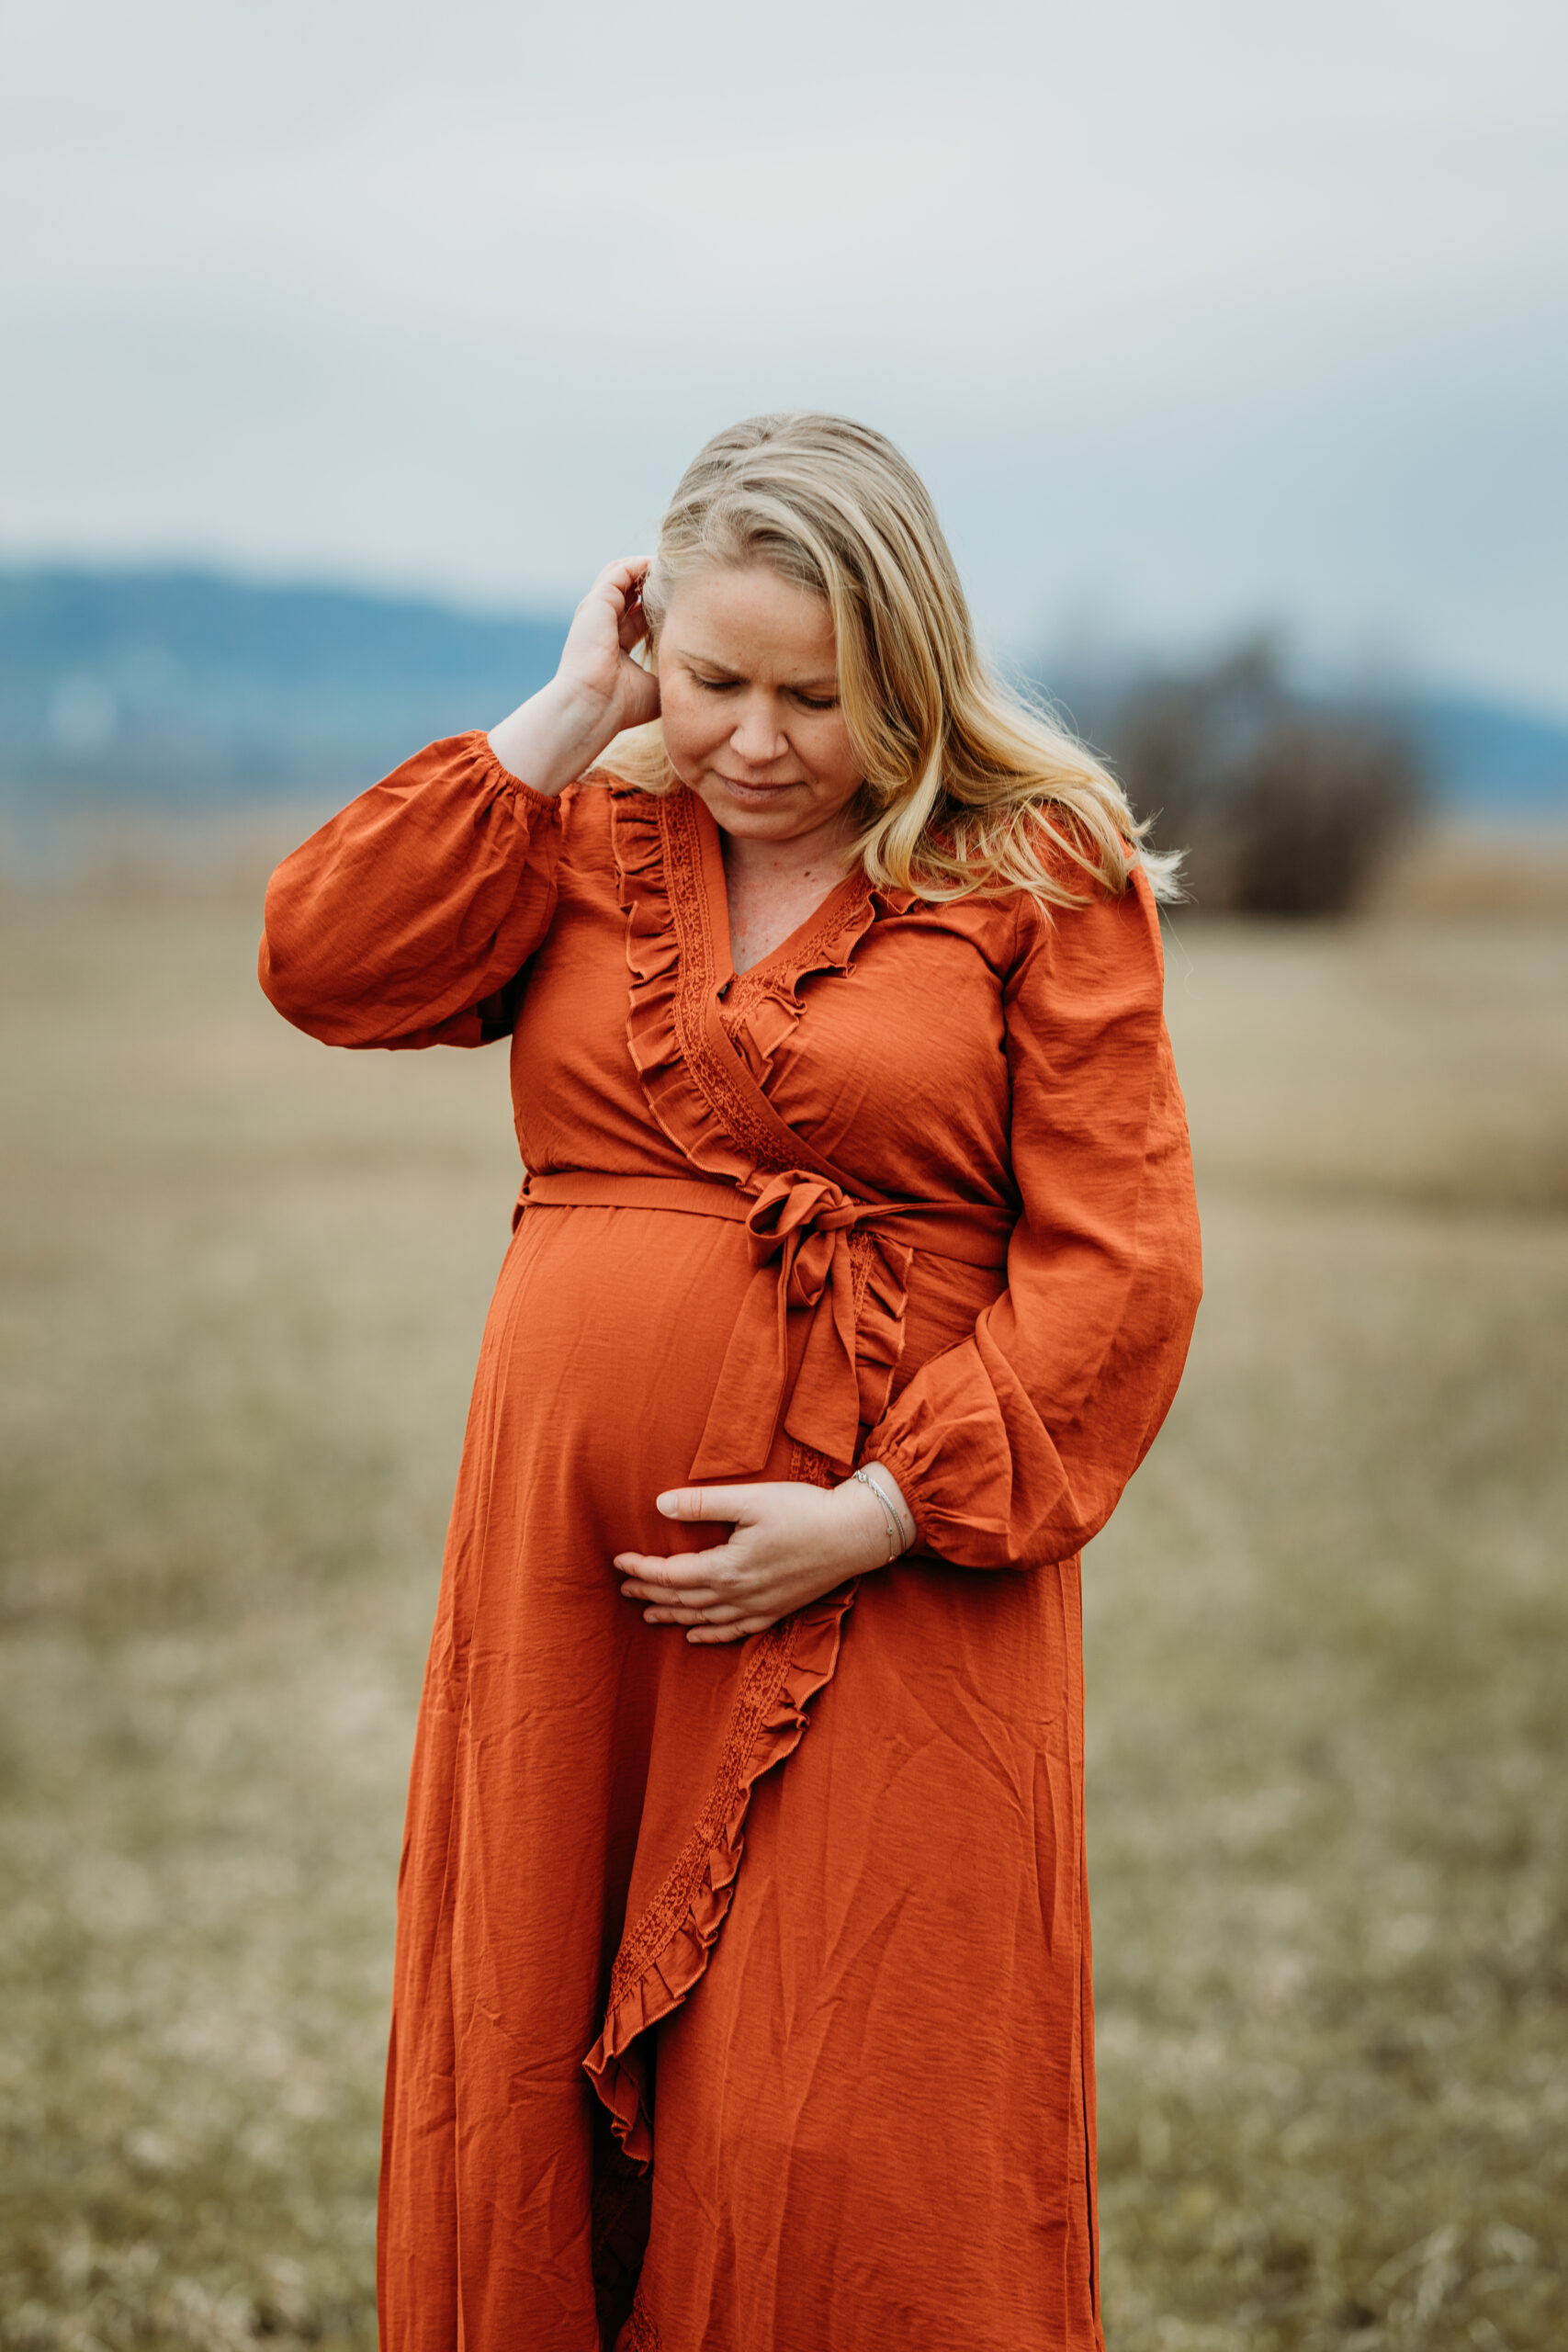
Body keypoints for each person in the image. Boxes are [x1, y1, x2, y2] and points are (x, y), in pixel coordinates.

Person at [259, 411, 1202, 2352]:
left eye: (816, 695)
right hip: (571, 1593)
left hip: (896, 1583)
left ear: (913, 675)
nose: (755, 741)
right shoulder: (582, 828)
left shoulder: (1036, 864)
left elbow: (1118, 1262)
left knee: (846, 2110)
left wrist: (874, 1512)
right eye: (710, 681)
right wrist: (557, 713)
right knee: (527, 2068)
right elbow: (325, 960)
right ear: (645, 640)